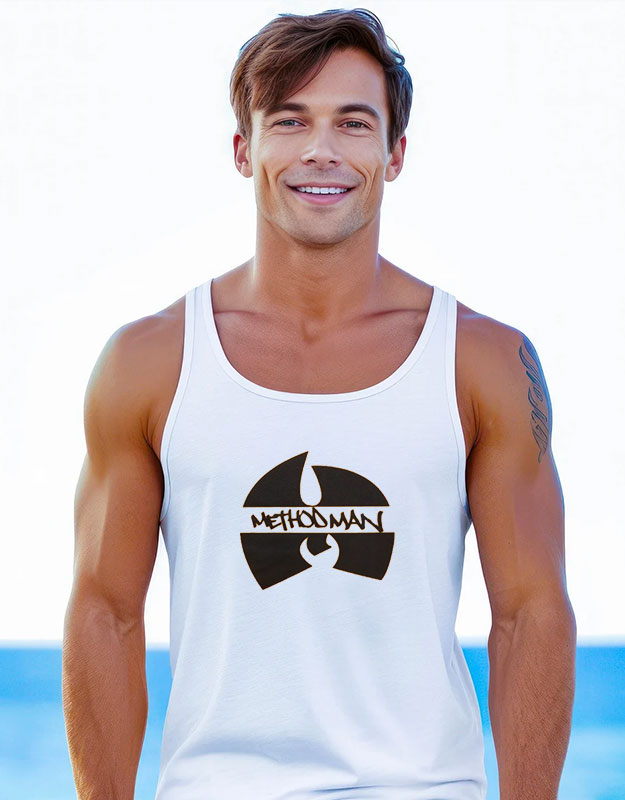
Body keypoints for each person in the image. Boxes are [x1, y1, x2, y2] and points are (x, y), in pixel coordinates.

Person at [62, 8, 576, 800]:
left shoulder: (481, 361)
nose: (321, 150)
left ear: (394, 153)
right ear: (244, 149)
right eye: (290, 120)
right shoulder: (150, 362)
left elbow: (530, 612)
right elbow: (105, 611)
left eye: (353, 123)